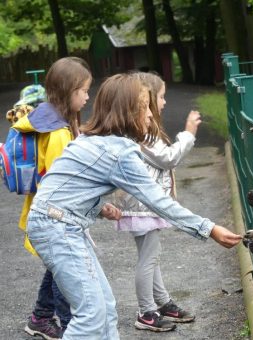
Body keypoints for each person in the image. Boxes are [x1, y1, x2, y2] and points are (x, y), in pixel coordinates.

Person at [25, 73, 242, 339]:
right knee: (92, 314)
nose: (151, 116)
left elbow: (66, 184)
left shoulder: (91, 139)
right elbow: (159, 202)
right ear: (128, 111)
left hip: (56, 223)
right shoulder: (120, 152)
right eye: (145, 108)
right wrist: (209, 229)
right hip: (58, 228)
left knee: (105, 307)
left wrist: (98, 206)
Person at [10, 56, 93, 340]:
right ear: (70, 91)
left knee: (55, 268)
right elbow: (62, 184)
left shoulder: (49, 119)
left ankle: (40, 318)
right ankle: (72, 328)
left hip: (45, 213)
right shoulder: (57, 132)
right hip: (55, 217)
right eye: (83, 91)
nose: (87, 96)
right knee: (64, 273)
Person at [111, 72, 200, 332]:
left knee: (151, 255)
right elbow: (168, 158)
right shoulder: (143, 135)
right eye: (161, 97)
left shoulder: (145, 132)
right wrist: (189, 133)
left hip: (143, 204)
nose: (163, 103)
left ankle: (161, 302)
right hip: (142, 205)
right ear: (146, 101)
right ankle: (146, 311)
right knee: (149, 258)